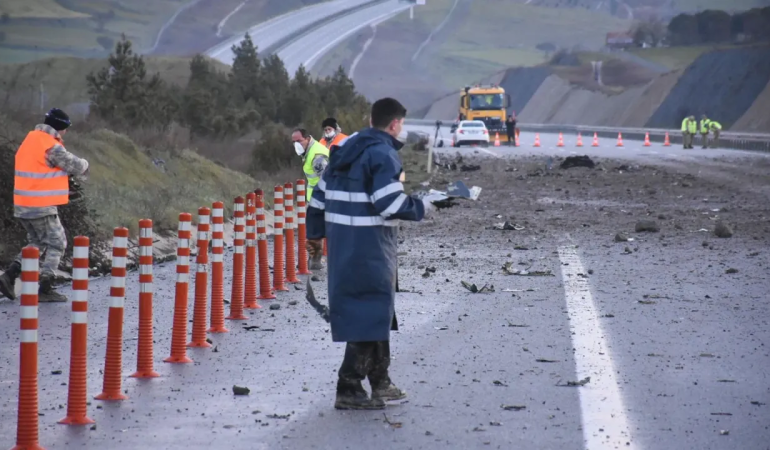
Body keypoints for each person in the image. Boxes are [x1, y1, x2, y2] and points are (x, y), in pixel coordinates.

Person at [305, 97, 434, 410]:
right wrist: (421, 206)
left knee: (374, 313)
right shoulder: (382, 154)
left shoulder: (342, 152)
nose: (401, 130)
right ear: (393, 124)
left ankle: (380, 382)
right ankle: (348, 387)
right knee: (369, 314)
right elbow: (389, 204)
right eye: (401, 124)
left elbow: (317, 203)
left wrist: (317, 238)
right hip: (371, 248)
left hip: (344, 249)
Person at [0, 108, 89, 303]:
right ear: (61, 127)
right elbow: (75, 165)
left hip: (23, 203)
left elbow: (41, 172)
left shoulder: (30, 139)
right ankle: (45, 287)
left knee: (37, 242)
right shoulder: (50, 145)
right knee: (58, 242)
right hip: (40, 204)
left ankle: (9, 275)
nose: (65, 133)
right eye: (65, 129)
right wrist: (86, 164)